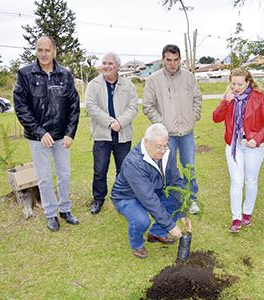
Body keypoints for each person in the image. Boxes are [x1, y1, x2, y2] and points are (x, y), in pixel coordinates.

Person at [13, 36, 80, 232]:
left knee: (64, 175)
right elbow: (21, 107)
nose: (43, 54)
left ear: (54, 52)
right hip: (38, 137)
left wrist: (70, 133)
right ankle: (51, 214)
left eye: (47, 50)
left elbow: (74, 106)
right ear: (36, 51)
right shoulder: (25, 74)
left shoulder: (65, 75)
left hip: (61, 136)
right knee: (44, 178)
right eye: (40, 50)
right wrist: (40, 132)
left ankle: (65, 209)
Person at [111, 123, 191, 259]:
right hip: (127, 196)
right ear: (146, 143)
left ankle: (157, 233)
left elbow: (175, 181)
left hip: (153, 189)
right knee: (142, 220)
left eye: (165, 145)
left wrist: (182, 211)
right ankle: (137, 245)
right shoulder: (134, 163)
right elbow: (149, 200)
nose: (163, 150)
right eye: (158, 147)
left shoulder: (167, 151)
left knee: (174, 203)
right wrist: (171, 226)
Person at [142, 44, 202, 214]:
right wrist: (160, 124)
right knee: (168, 167)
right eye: (168, 60)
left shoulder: (189, 77)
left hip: (187, 133)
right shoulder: (154, 79)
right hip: (166, 136)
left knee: (188, 167)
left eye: (176, 60)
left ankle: (191, 199)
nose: (172, 64)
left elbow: (197, 98)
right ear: (163, 60)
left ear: (180, 60)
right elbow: (147, 105)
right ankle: (173, 200)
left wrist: (193, 116)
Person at [212, 68, 264, 233]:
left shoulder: (259, 97)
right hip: (233, 146)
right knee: (236, 181)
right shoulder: (229, 98)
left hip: (252, 146)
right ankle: (236, 218)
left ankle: (247, 213)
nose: (236, 87)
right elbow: (216, 118)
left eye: (240, 84)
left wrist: (257, 138)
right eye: (233, 84)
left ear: (248, 82)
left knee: (251, 180)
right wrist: (225, 101)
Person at [85, 53, 138, 214]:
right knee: (100, 170)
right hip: (102, 135)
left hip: (123, 135)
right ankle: (98, 199)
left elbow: (133, 107)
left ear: (118, 67)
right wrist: (110, 122)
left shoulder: (128, 86)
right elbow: (91, 106)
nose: (106, 66)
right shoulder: (94, 85)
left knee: (123, 170)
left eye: (110, 63)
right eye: (104, 63)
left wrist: (120, 122)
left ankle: (121, 198)